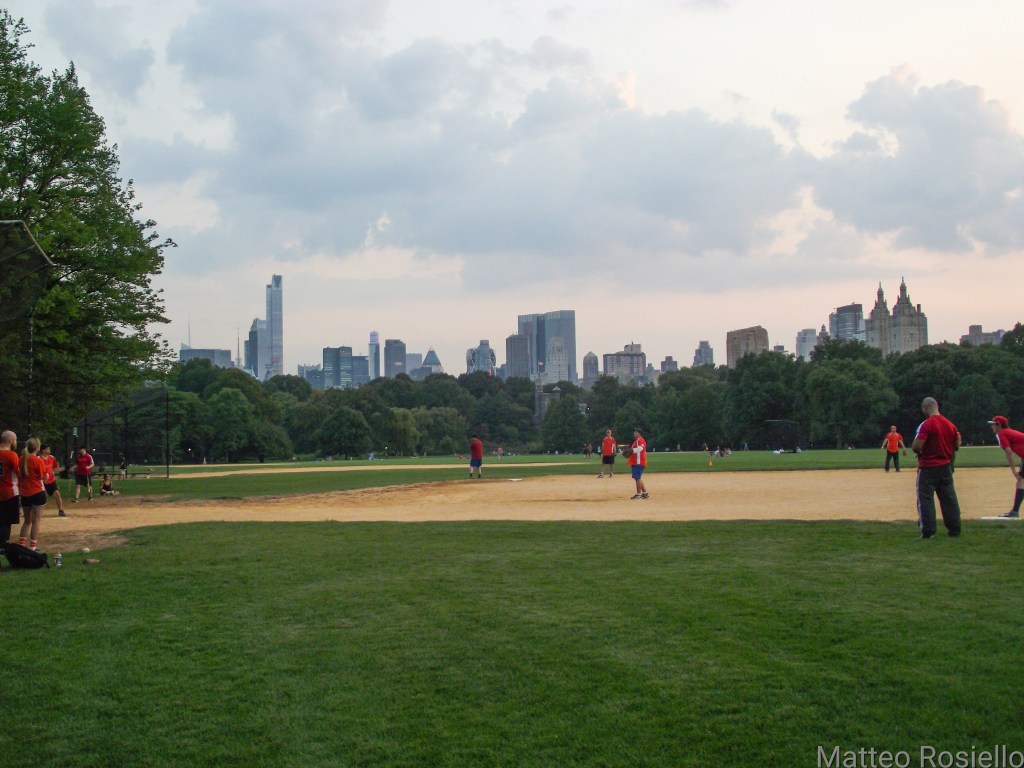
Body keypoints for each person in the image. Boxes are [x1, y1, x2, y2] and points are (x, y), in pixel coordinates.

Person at [911, 397, 962, 539]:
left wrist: (919, 451)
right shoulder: (950, 425)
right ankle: (954, 529)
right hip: (945, 466)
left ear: (926, 408)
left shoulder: (927, 424)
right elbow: (956, 445)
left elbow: (916, 446)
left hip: (928, 467)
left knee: (925, 498)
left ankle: (928, 531)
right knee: (949, 498)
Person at [988, 415, 1024, 518]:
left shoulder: (1001, 433)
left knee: (1021, 481)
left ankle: (1015, 512)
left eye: (993, 424)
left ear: (999, 424)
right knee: (1021, 480)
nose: (992, 426)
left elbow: (1008, 452)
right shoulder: (1008, 432)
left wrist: (1014, 471)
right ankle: (1014, 511)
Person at [17, 438, 47, 550]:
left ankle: (21, 547)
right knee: (36, 521)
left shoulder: (21, 459)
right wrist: (47, 477)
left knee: (27, 521)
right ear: (37, 448)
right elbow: (42, 477)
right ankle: (32, 548)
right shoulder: (38, 461)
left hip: (25, 494)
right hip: (37, 492)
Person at [0, 430, 20, 546]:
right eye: (15, 439)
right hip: (9, 492)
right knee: (6, 522)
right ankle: (4, 545)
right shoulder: (12, 455)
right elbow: (18, 472)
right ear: (11, 440)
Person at [40, 444, 67, 517]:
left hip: (51, 480)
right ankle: (35, 512)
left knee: (57, 494)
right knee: (42, 497)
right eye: (47, 448)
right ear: (43, 450)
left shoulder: (52, 458)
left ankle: (60, 510)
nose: (49, 450)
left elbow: (55, 469)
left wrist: (64, 468)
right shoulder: (39, 459)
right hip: (42, 481)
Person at [627, 428, 649, 500]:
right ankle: (645, 493)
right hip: (636, 462)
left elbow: (641, 448)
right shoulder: (636, 441)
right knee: (638, 477)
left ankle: (638, 494)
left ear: (639, 433)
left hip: (639, 462)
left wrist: (632, 450)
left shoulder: (640, 440)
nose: (634, 433)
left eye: (635, 432)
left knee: (637, 478)